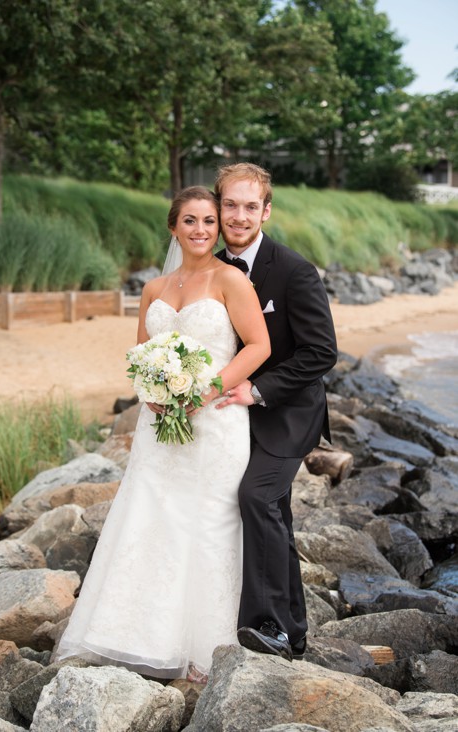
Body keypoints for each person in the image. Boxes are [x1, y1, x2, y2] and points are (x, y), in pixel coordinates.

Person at [53, 186, 270, 681]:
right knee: (151, 516)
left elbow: (258, 345)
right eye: (190, 221)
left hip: (214, 419)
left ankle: (204, 649)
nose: (201, 230)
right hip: (160, 423)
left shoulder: (232, 280)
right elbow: (140, 356)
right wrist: (150, 390)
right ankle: (136, 635)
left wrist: (209, 388)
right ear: (173, 227)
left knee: (209, 522)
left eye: (210, 221)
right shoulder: (153, 289)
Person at [213, 162, 338, 661]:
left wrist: (260, 390)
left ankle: (267, 624)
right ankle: (294, 631)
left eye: (250, 206)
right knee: (274, 514)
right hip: (229, 419)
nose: (239, 216)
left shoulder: (294, 271)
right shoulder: (209, 267)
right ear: (218, 206)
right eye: (230, 205)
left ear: (266, 210)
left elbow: (321, 351)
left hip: (286, 414)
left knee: (257, 498)